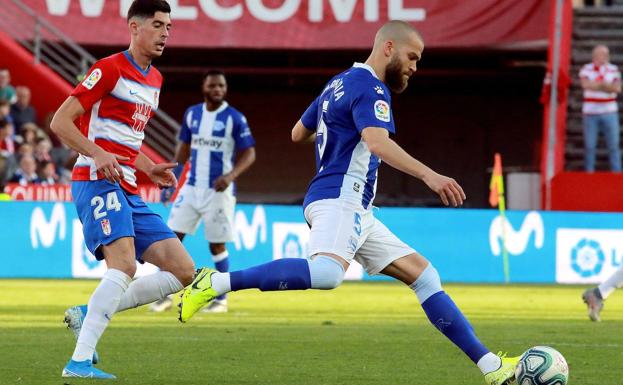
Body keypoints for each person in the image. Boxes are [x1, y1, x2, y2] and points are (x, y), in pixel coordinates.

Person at [178, 21, 521, 385]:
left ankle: (491, 368)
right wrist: (429, 175)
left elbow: (297, 133)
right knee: (326, 274)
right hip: (341, 196)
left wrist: (338, 132)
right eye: (412, 57)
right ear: (388, 47)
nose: (414, 68)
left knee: (425, 277)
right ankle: (216, 282)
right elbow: (377, 143)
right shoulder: (372, 88)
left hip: (355, 206)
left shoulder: (337, 83)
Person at [50, 1, 199, 379]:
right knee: (125, 265)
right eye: (158, 25)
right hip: (96, 180)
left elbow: (130, 139)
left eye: (169, 26)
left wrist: (149, 167)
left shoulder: (155, 80)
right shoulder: (109, 68)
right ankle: (79, 363)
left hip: (129, 186)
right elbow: (60, 122)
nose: (166, 33)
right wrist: (98, 153)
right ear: (134, 27)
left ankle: (88, 314)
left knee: (183, 271)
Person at [150, 70, 256, 313]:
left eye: (221, 86)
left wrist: (230, 176)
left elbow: (250, 153)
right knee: (171, 239)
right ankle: (163, 295)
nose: (217, 89)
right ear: (204, 87)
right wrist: (171, 179)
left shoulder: (234, 118)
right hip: (191, 187)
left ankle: (221, 299)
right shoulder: (193, 114)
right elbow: (183, 150)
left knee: (216, 245)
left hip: (218, 192)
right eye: (213, 85)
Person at [580, 44, 622, 172]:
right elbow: (586, 84)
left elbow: (617, 88)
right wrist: (605, 85)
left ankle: (617, 173)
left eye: (605, 54)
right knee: (590, 145)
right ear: (594, 55)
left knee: (613, 145)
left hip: (609, 112)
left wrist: (599, 85)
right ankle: (589, 173)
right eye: (600, 54)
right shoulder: (586, 69)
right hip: (590, 113)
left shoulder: (614, 69)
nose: (603, 57)